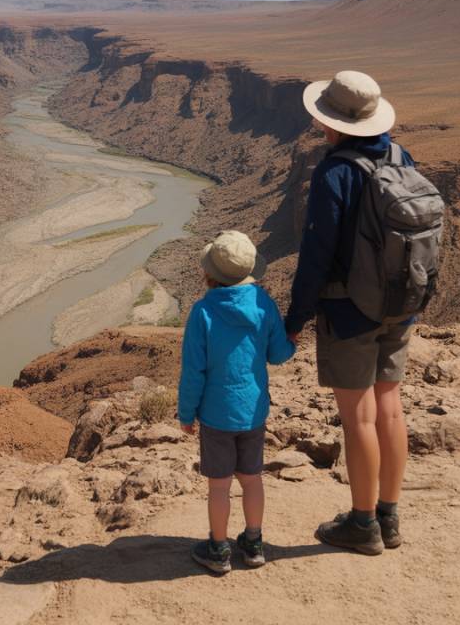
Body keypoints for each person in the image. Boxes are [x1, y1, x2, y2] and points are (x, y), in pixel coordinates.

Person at [286, 70, 416, 555]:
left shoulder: (335, 172)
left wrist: (296, 317)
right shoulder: (402, 156)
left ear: (333, 121)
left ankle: (362, 525)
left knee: (357, 417)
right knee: (390, 406)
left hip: (350, 310)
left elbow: (316, 253)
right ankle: (389, 515)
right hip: (400, 307)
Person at [178, 230, 295, 574]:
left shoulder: (202, 312)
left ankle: (218, 549)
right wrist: (293, 341)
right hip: (253, 411)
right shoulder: (263, 304)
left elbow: (193, 372)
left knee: (219, 485)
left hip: (215, 416)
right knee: (252, 477)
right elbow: (277, 354)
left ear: (209, 272)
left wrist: (186, 413)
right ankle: (255, 543)